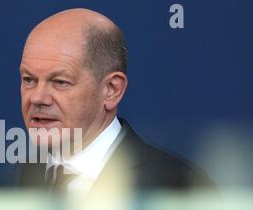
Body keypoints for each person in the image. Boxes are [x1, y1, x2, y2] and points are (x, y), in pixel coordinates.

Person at [18, 8, 215, 194]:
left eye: (60, 82)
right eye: (29, 80)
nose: (37, 97)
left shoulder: (180, 187)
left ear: (112, 90)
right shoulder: (25, 175)